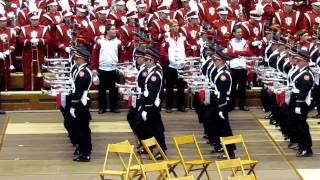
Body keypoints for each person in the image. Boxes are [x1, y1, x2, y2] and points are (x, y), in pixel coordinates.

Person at [138, 48, 167, 159]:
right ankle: (152, 148)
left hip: (152, 106)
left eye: (146, 60)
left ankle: (162, 151)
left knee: (156, 129)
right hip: (150, 105)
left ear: (151, 61)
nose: (145, 62)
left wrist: (146, 108)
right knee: (151, 128)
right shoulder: (153, 72)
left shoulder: (154, 75)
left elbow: (153, 93)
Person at [69, 44, 93, 162]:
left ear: (82, 59)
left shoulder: (83, 73)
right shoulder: (82, 70)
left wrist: (73, 106)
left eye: (76, 58)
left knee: (82, 129)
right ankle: (84, 151)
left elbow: (78, 91)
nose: (75, 60)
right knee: (82, 128)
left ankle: (85, 153)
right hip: (83, 101)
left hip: (81, 102)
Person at [289, 50, 314, 157]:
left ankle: (306, 148)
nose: (297, 62)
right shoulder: (300, 71)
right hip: (296, 99)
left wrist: (298, 105)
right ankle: (301, 144)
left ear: (305, 62)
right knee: (297, 124)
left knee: (302, 125)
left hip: (301, 102)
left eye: (299, 61)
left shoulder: (306, 75)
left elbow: (304, 91)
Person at [92, 24, 121, 114]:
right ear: (107, 31)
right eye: (113, 29)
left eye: (115, 29)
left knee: (114, 89)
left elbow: (121, 55)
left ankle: (114, 107)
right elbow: (95, 56)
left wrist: (119, 66)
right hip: (102, 69)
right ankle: (102, 107)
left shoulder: (118, 42)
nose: (115, 30)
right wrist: (94, 68)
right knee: (101, 90)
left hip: (114, 69)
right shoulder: (100, 41)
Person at [160, 19, 188, 113]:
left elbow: (187, 48)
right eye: (174, 26)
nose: (176, 28)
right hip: (170, 66)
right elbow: (163, 51)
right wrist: (169, 60)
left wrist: (185, 58)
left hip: (181, 65)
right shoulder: (166, 37)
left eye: (177, 26)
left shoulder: (182, 37)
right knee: (169, 87)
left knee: (181, 86)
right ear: (170, 27)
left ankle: (181, 106)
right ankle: (168, 106)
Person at [227, 25, 252, 111]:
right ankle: (231, 105)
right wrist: (241, 53)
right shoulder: (230, 42)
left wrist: (236, 52)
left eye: (240, 32)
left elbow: (248, 52)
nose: (240, 33)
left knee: (242, 87)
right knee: (232, 87)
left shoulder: (245, 42)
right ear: (234, 33)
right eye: (238, 32)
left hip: (242, 67)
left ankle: (243, 105)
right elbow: (230, 53)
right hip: (233, 67)